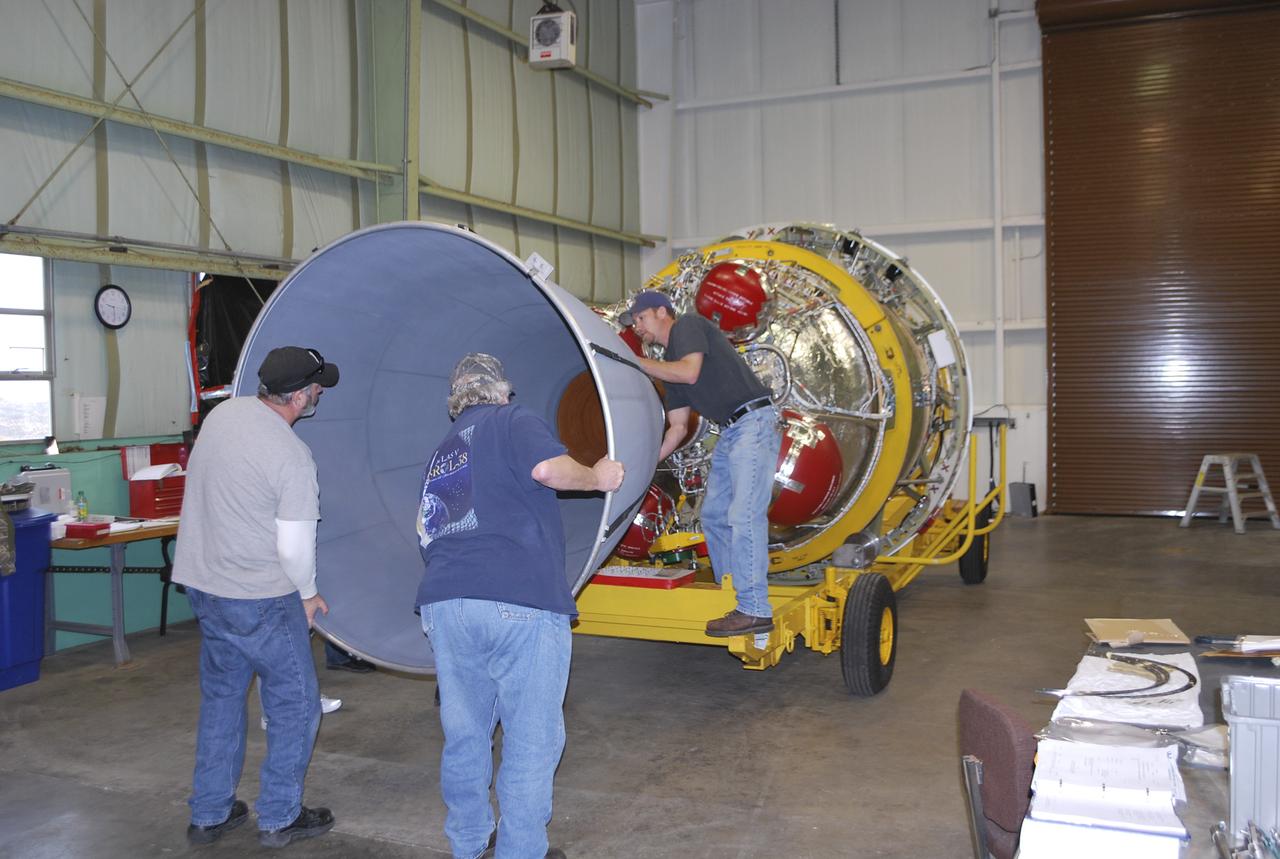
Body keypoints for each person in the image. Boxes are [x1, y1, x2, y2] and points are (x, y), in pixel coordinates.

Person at [416, 353, 624, 859]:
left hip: (446, 602)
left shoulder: (445, 450)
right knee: (532, 738)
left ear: (456, 400)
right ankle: (521, 849)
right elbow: (547, 468)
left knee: (466, 735)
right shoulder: (512, 418)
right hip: (518, 598)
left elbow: (426, 530)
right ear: (504, 391)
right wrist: (598, 476)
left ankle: (467, 844)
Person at [173, 345, 340, 849]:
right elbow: (293, 546)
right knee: (295, 705)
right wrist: (308, 595)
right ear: (302, 395)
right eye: (317, 387)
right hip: (260, 597)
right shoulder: (291, 454)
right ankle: (280, 816)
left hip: (206, 586)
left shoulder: (224, 415)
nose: (319, 394)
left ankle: (209, 813)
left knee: (223, 698)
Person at [627, 290, 782, 637]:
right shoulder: (669, 364)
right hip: (731, 431)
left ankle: (754, 608)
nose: (638, 328)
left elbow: (691, 372)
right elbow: (679, 427)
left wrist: (635, 361)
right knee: (713, 516)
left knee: (743, 515)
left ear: (662, 311)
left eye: (640, 318)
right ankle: (732, 593)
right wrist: (645, 465)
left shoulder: (688, 327)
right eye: (634, 323)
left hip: (753, 423)